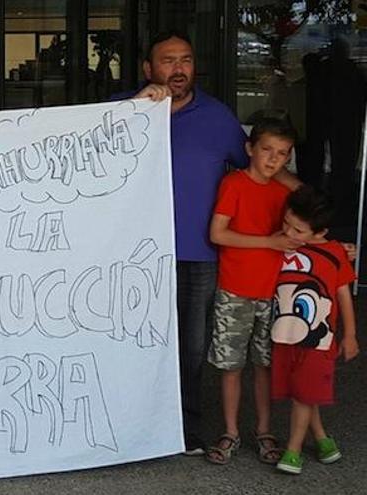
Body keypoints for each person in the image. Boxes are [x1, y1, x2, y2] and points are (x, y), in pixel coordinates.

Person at [114, 31, 301, 456]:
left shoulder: (217, 118)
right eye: (167, 61)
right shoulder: (125, 109)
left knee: (192, 348)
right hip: (132, 255)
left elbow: (263, 168)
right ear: (148, 68)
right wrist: (137, 105)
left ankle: (185, 428)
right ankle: (127, 427)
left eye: (185, 60)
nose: (177, 69)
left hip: (198, 257)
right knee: (131, 339)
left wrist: (312, 209)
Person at [204, 118, 301, 465]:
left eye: (283, 154)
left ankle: (264, 430)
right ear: (249, 149)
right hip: (234, 291)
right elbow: (218, 234)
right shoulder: (234, 184)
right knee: (231, 366)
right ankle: (230, 431)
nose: (274, 160)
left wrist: (336, 248)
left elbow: (309, 225)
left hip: (273, 293)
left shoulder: (286, 192)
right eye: (267, 151)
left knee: (265, 365)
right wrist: (268, 242)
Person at [271, 186, 358, 474]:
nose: (289, 233)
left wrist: (350, 335)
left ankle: (293, 450)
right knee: (303, 391)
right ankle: (321, 438)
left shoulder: (334, 253)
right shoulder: (279, 244)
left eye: (298, 230)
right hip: (284, 335)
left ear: (319, 233)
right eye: (286, 223)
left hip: (320, 340)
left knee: (304, 394)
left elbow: (343, 294)